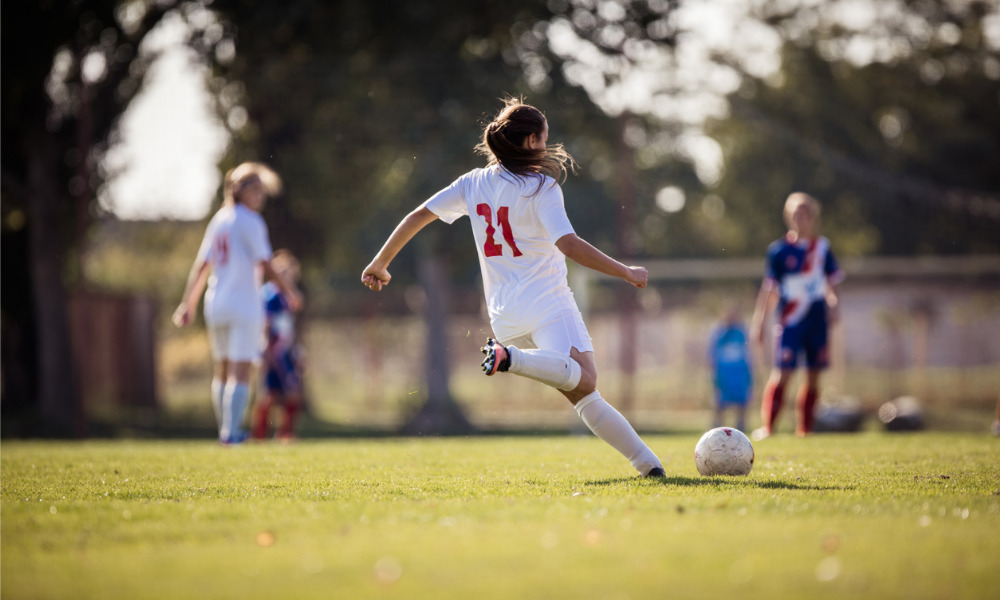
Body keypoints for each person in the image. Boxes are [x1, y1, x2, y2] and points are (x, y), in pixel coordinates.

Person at [361, 98, 665, 477]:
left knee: (584, 393)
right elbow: (568, 245)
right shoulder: (541, 188)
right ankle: (511, 359)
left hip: (504, 314)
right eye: (544, 139)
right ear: (530, 141)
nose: (546, 147)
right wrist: (626, 271)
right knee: (585, 378)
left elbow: (418, 215)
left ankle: (649, 466)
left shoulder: (472, 183)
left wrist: (380, 262)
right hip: (547, 303)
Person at [173, 162, 301, 445]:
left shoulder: (219, 219)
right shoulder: (251, 220)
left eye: (262, 190)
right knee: (240, 369)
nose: (260, 196)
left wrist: (188, 303)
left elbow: (202, 265)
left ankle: (225, 430)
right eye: (254, 189)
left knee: (222, 367)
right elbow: (266, 262)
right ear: (237, 189)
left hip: (215, 303)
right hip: (244, 304)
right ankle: (231, 434)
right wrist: (291, 290)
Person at [750, 192, 844, 439]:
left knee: (813, 376)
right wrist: (759, 321)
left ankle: (805, 429)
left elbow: (832, 285)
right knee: (783, 373)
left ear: (812, 217)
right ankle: (768, 427)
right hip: (790, 322)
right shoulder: (779, 251)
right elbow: (769, 289)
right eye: (796, 215)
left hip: (817, 321)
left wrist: (834, 305)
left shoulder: (822, 248)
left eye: (805, 215)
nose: (800, 219)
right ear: (789, 217)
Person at [252, 249, 305, 442]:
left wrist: (298, 351)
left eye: (289, 273)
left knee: (286, 393)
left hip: (285, 351)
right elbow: (266, 324)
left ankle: (283, 433)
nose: (286, 276)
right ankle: (261, 434)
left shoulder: (286, 297)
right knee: (272, 395)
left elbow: (289, 326)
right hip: (274, 352)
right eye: (282, 272)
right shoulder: (270, 295)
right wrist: (266, 351)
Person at [708, 304, 752, 432]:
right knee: (719, 403)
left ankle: (741, 428)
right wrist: (713, 373)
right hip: (723, 373)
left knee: (742, 403)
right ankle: (716, 429)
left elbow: (747, 354)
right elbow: (712, 353)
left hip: (739, 373)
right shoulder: (719, 332)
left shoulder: (741, 332)